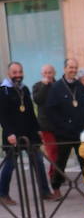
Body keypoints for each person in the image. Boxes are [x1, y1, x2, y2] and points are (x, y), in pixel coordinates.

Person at [0, 61, 52, 204]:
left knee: (39, 162)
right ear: (9, 74)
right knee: (10, 165)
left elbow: (30, 112)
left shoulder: (25, 89)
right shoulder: (3, 90)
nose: (18, 75)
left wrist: (37, 129)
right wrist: (9, 133)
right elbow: (2, 115)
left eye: (20, 72)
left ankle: (45, 192)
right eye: (14, 72)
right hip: (13, 135)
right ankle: (3, 194)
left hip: (30, 134)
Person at [44, 57, 84, 189]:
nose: (73, 70)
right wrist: (62, 126)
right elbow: (51, 110)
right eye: (71, 67)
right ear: (64, 69)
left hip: (79, 131)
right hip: (63, 133)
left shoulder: (79, 86)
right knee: (61, 162)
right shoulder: (56, 87)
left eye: (75, 68)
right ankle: (56, 188)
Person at [31, 63, 60, 197]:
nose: (48, 75)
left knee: (60, 153)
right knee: (52, 152)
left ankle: (58, 176)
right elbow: (38, 100)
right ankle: (54, 179)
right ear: (42, 74)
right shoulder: (37, 86)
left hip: (60, 125)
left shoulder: (59, 85)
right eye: (45, 73)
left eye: (50, 72)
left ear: (54, 73)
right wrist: (44, 85)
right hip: (46, 126)